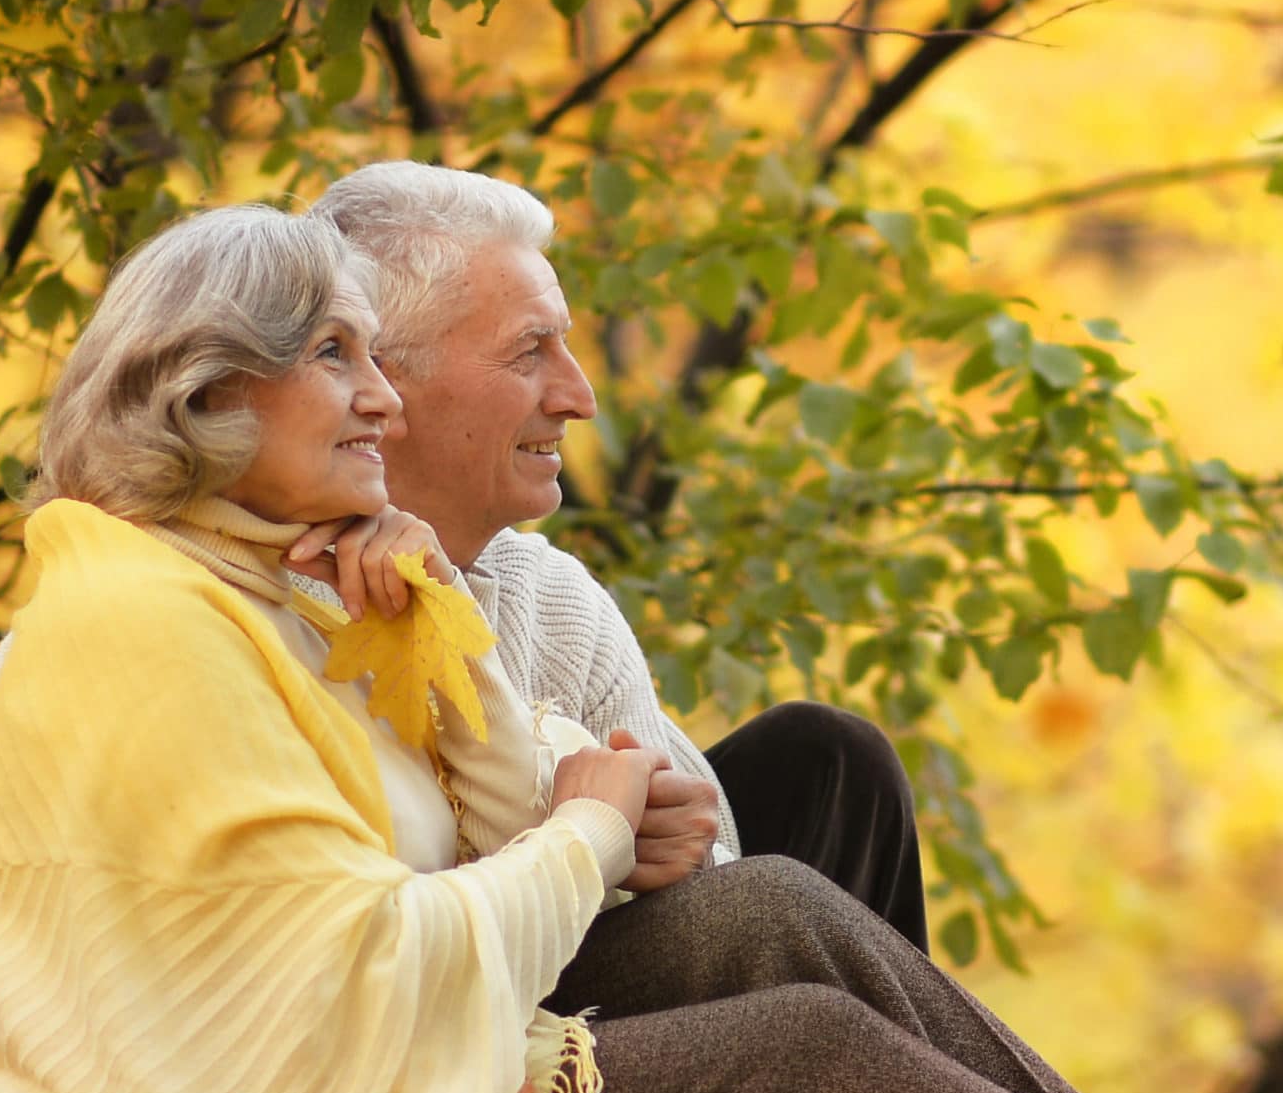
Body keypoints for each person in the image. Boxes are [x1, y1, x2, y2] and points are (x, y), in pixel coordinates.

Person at [0, 202, 1205, 1093]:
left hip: (377, 1063)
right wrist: (590, 834)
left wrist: (439, 631)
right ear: (205, 397)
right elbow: (376, 975)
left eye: (373, 357)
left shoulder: (292, 576)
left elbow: (507, 826)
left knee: (773, 903)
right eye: (335, 356)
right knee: (796, 1048)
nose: (379, 397)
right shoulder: (146, 628)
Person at [313, 161, 926, 948]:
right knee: (775, 913)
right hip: (461, 1018)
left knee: (836, 765)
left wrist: (677, 839)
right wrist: (588, 835)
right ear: (383, 379)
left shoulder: (550, 594)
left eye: (564, 346)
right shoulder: (265, 596)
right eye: (529, 352)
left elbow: (710, 892)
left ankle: (997, 1083)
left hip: (611, 973)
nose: (578, 396)